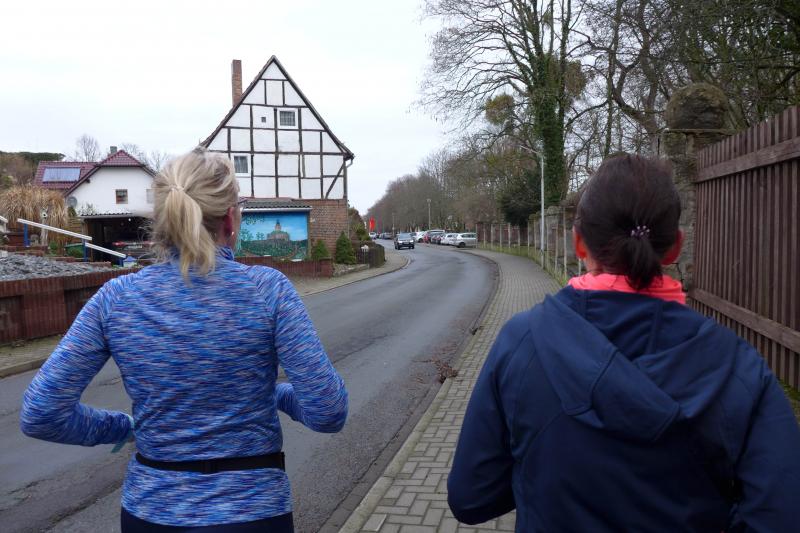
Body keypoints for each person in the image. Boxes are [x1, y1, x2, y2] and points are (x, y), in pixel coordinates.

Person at [447, 154, 800, 531]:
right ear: (675, 247)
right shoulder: (738, 366)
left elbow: (471, 498)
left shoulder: (521, 342)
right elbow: (782, 515)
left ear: (578, 243)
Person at [20, 148, 348, 532]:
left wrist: (124, 428)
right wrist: (274, 394)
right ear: (230, 219)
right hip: (253, 512)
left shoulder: (115, 299)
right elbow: (328, 411)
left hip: (151, 513)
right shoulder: (268, 290)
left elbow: (42, 413)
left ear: (162, 221)